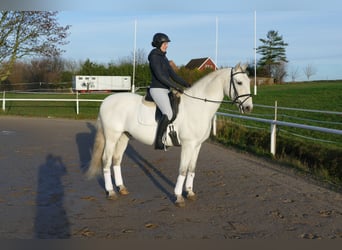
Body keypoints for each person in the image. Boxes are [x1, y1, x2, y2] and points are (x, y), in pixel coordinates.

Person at [148, 32, 190, 150]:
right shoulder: (154, 57)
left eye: (167, 43)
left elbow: (173, 75)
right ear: (159, 43)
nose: (167, 45)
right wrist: (175, 87)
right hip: (157, 89)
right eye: (165, 43)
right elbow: (161, 76)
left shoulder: (164, 58)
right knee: (168, 112)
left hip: (165, 89)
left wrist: (187, 84)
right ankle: (159, 141)